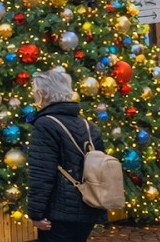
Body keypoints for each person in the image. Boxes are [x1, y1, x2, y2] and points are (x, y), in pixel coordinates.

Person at [28, 67, 106, 241]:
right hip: (89, 207)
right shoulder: (89, 126)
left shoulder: (45, 125)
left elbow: (41, 173)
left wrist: (36, 213)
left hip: (58, 213)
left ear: (42, 94)